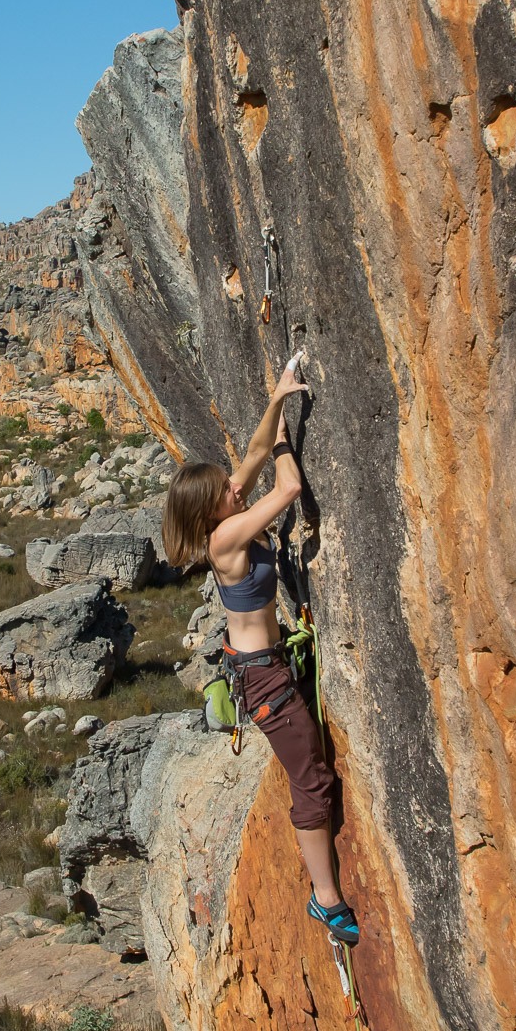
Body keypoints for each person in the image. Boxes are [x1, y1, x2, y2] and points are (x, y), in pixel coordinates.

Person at [161, 358, 358, 945]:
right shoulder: (225, 537)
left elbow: (245, 457)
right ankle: (326, 899)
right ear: (210, 510)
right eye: (225, 489)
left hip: (270, 667)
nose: (234, 486)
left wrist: (275, 402)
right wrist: (281, 446)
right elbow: (290, 488)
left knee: (313, 770)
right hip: (265, 680)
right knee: (312, 781)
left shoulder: (225, 515)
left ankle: (325, 892)